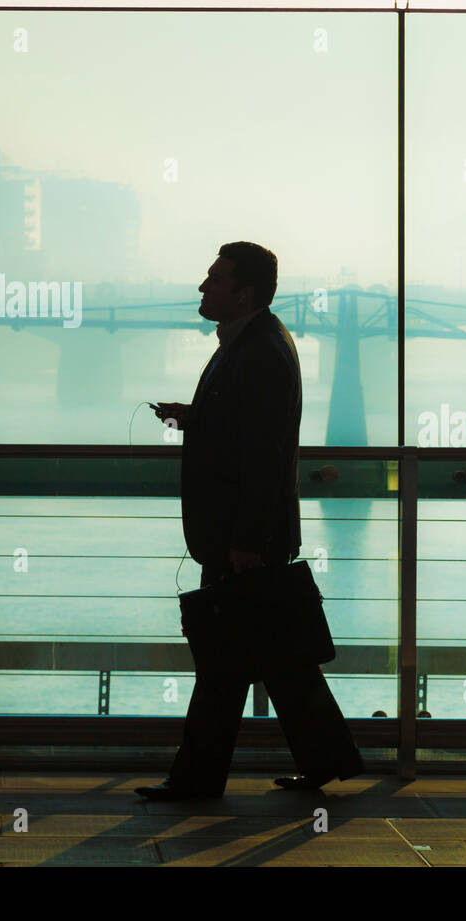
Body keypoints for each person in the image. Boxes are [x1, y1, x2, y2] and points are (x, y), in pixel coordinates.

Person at [135, 241, 364, 799]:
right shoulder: (254, 342)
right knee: (276, 660)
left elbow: (262, 455)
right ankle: (326, 760)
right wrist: (199, 418)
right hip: (246, 535)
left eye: (214, 279)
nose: (202, 287)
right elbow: (247, 432)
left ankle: (197, 780)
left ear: (244, 293)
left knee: (226, 662)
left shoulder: (258, 352)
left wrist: (246, 542)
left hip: (244, 539)